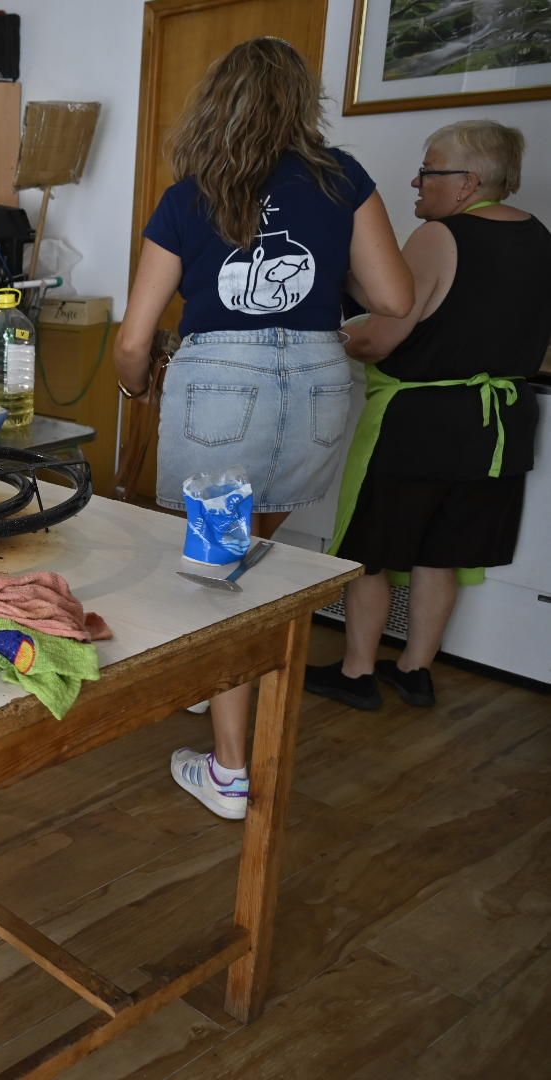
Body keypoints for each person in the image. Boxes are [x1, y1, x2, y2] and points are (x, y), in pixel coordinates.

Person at [113, 37, 413, 821]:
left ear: (217, 101)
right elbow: (392, 298)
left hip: (221, 388)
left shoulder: (190, 195)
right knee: (248, 557)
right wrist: (320, 323)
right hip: (316, 383)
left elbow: (135, 341)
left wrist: (136, 383)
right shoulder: (342, 180)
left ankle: (230, 770)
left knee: (218, 577)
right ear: (299, 104)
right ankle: (220, 686)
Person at [306, 121, 550, 711]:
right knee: (443, 551)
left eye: (430, 169)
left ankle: (358, 671)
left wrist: (333, 338)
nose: (416, 181)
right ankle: (415, 669)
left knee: (373, 550)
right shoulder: (541, 237)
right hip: (498, 426)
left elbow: (383, 338)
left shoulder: (439, 235)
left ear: (467, 183)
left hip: (419, 423)